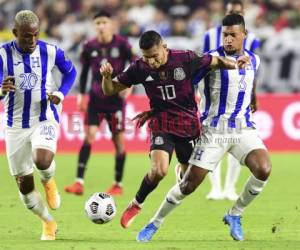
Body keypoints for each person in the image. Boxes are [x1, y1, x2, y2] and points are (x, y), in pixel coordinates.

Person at [136, 14, 271, 242]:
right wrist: (161, 107)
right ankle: (154, 223)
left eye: (233, 35)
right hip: (213, 131)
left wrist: (254, 99)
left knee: (263, 169)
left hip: (242, 129)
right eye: (225, 34)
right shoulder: (210, 59)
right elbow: (183, 83)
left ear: (244, 35)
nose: (228, 39)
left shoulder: (254, 60)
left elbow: (251, 80)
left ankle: (235, 214)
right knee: (188, 186)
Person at [99, 30, 249, 229]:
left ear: (164, 48)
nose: (151, 62)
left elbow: (215, 61)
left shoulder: (185, 59)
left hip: (188, 126)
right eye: (146, 57)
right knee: (158, 171)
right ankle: (136, 203)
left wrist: (234, 63)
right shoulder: (139, 67)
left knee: (190, 183)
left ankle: (181, 169)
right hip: (162, 123)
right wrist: (107, 77)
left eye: (154, 56)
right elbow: (110, 90)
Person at [0, 10, 76, 240]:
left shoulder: (50, 51)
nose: (31, 41)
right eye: (26, 36)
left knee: (42, 160)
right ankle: (48, 222)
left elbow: (70, 72)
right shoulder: (2, 55)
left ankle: (48, 179)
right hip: (15, 125)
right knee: (24, 187)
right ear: (15, 33)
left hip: (44, 116)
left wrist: (61, 94)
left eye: (35, 35)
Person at [64, 11, 134, 196]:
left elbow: (134, 63)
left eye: (104, 22)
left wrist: (130, 84)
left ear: (111, 24)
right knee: (89, 137)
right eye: (98, 23)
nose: (101, 26)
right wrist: (81, 95)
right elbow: (85, 71)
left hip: (116, 100)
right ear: (94, 26)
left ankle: (117, 183)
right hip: (95, 99)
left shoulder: (123, 44)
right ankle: (78, 182)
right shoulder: (89, 46)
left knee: (118, 141)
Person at [202, 0, 261, 201]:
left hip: (239, 98)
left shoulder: (252, 39)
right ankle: (216, 188)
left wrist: (253, 95)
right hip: (215, 95)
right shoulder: (209, 36)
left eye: (237, 12)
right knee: (215, 146)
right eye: (230, 12)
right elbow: (201, 62)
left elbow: (252, 65)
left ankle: (229, 187)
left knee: (237, 143)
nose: (228, 37)